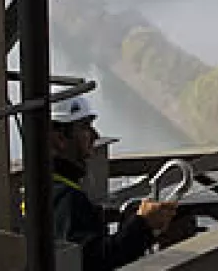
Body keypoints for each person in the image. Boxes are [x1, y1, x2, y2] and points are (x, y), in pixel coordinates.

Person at [47, 95, 178, 271]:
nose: (95, 135)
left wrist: (139, 225)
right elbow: (97, 262)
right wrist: (143, 224)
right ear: (60, 139)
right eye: (85, 127)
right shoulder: (66, 198)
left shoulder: (46, 187)